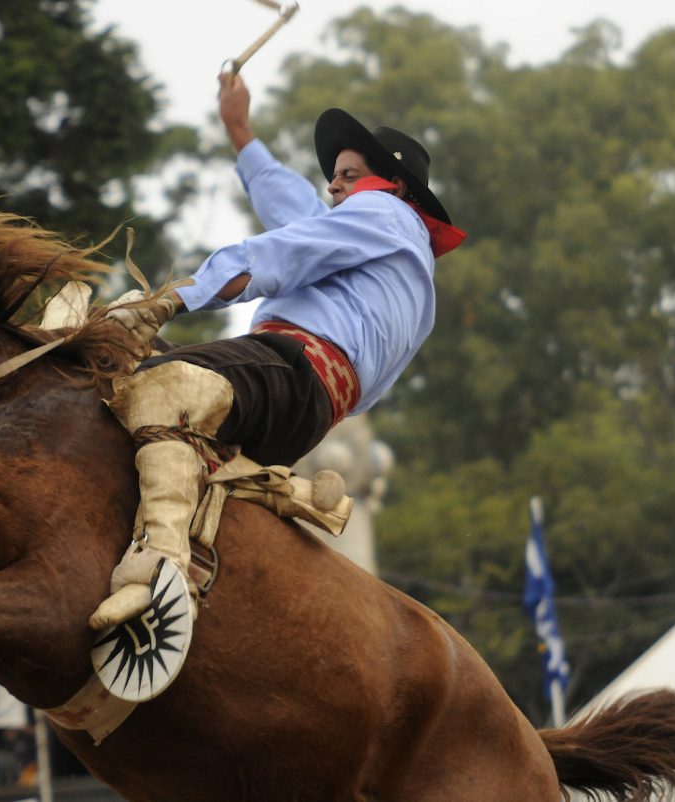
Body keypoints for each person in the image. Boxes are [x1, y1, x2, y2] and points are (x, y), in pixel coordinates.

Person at [90, 73, 465, 641]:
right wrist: (241, 133)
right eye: (333, 177)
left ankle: (164, 568)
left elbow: (282, 253)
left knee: (155, 385)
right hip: (306, 407)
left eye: (349, 175)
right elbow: (293, 209)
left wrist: (166, 301)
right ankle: (198, 534)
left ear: (394, 186)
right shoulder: (379, 239)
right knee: (148, 398)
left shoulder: (388, 218)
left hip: (294, 368)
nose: (334, 186)